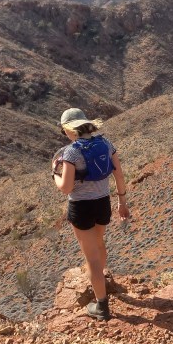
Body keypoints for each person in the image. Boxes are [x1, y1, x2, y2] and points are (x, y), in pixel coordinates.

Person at [52, 108, 130, 321]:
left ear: (70, 129)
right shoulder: (106, 144)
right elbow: (119, 175)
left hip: (82, 207)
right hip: (103, 203)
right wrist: (122, 203)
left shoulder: (71, 152)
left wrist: (54, 174)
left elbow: (66, 187)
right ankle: (100, 281)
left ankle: (101, 306)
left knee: (92, 258)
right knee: (99, 245)